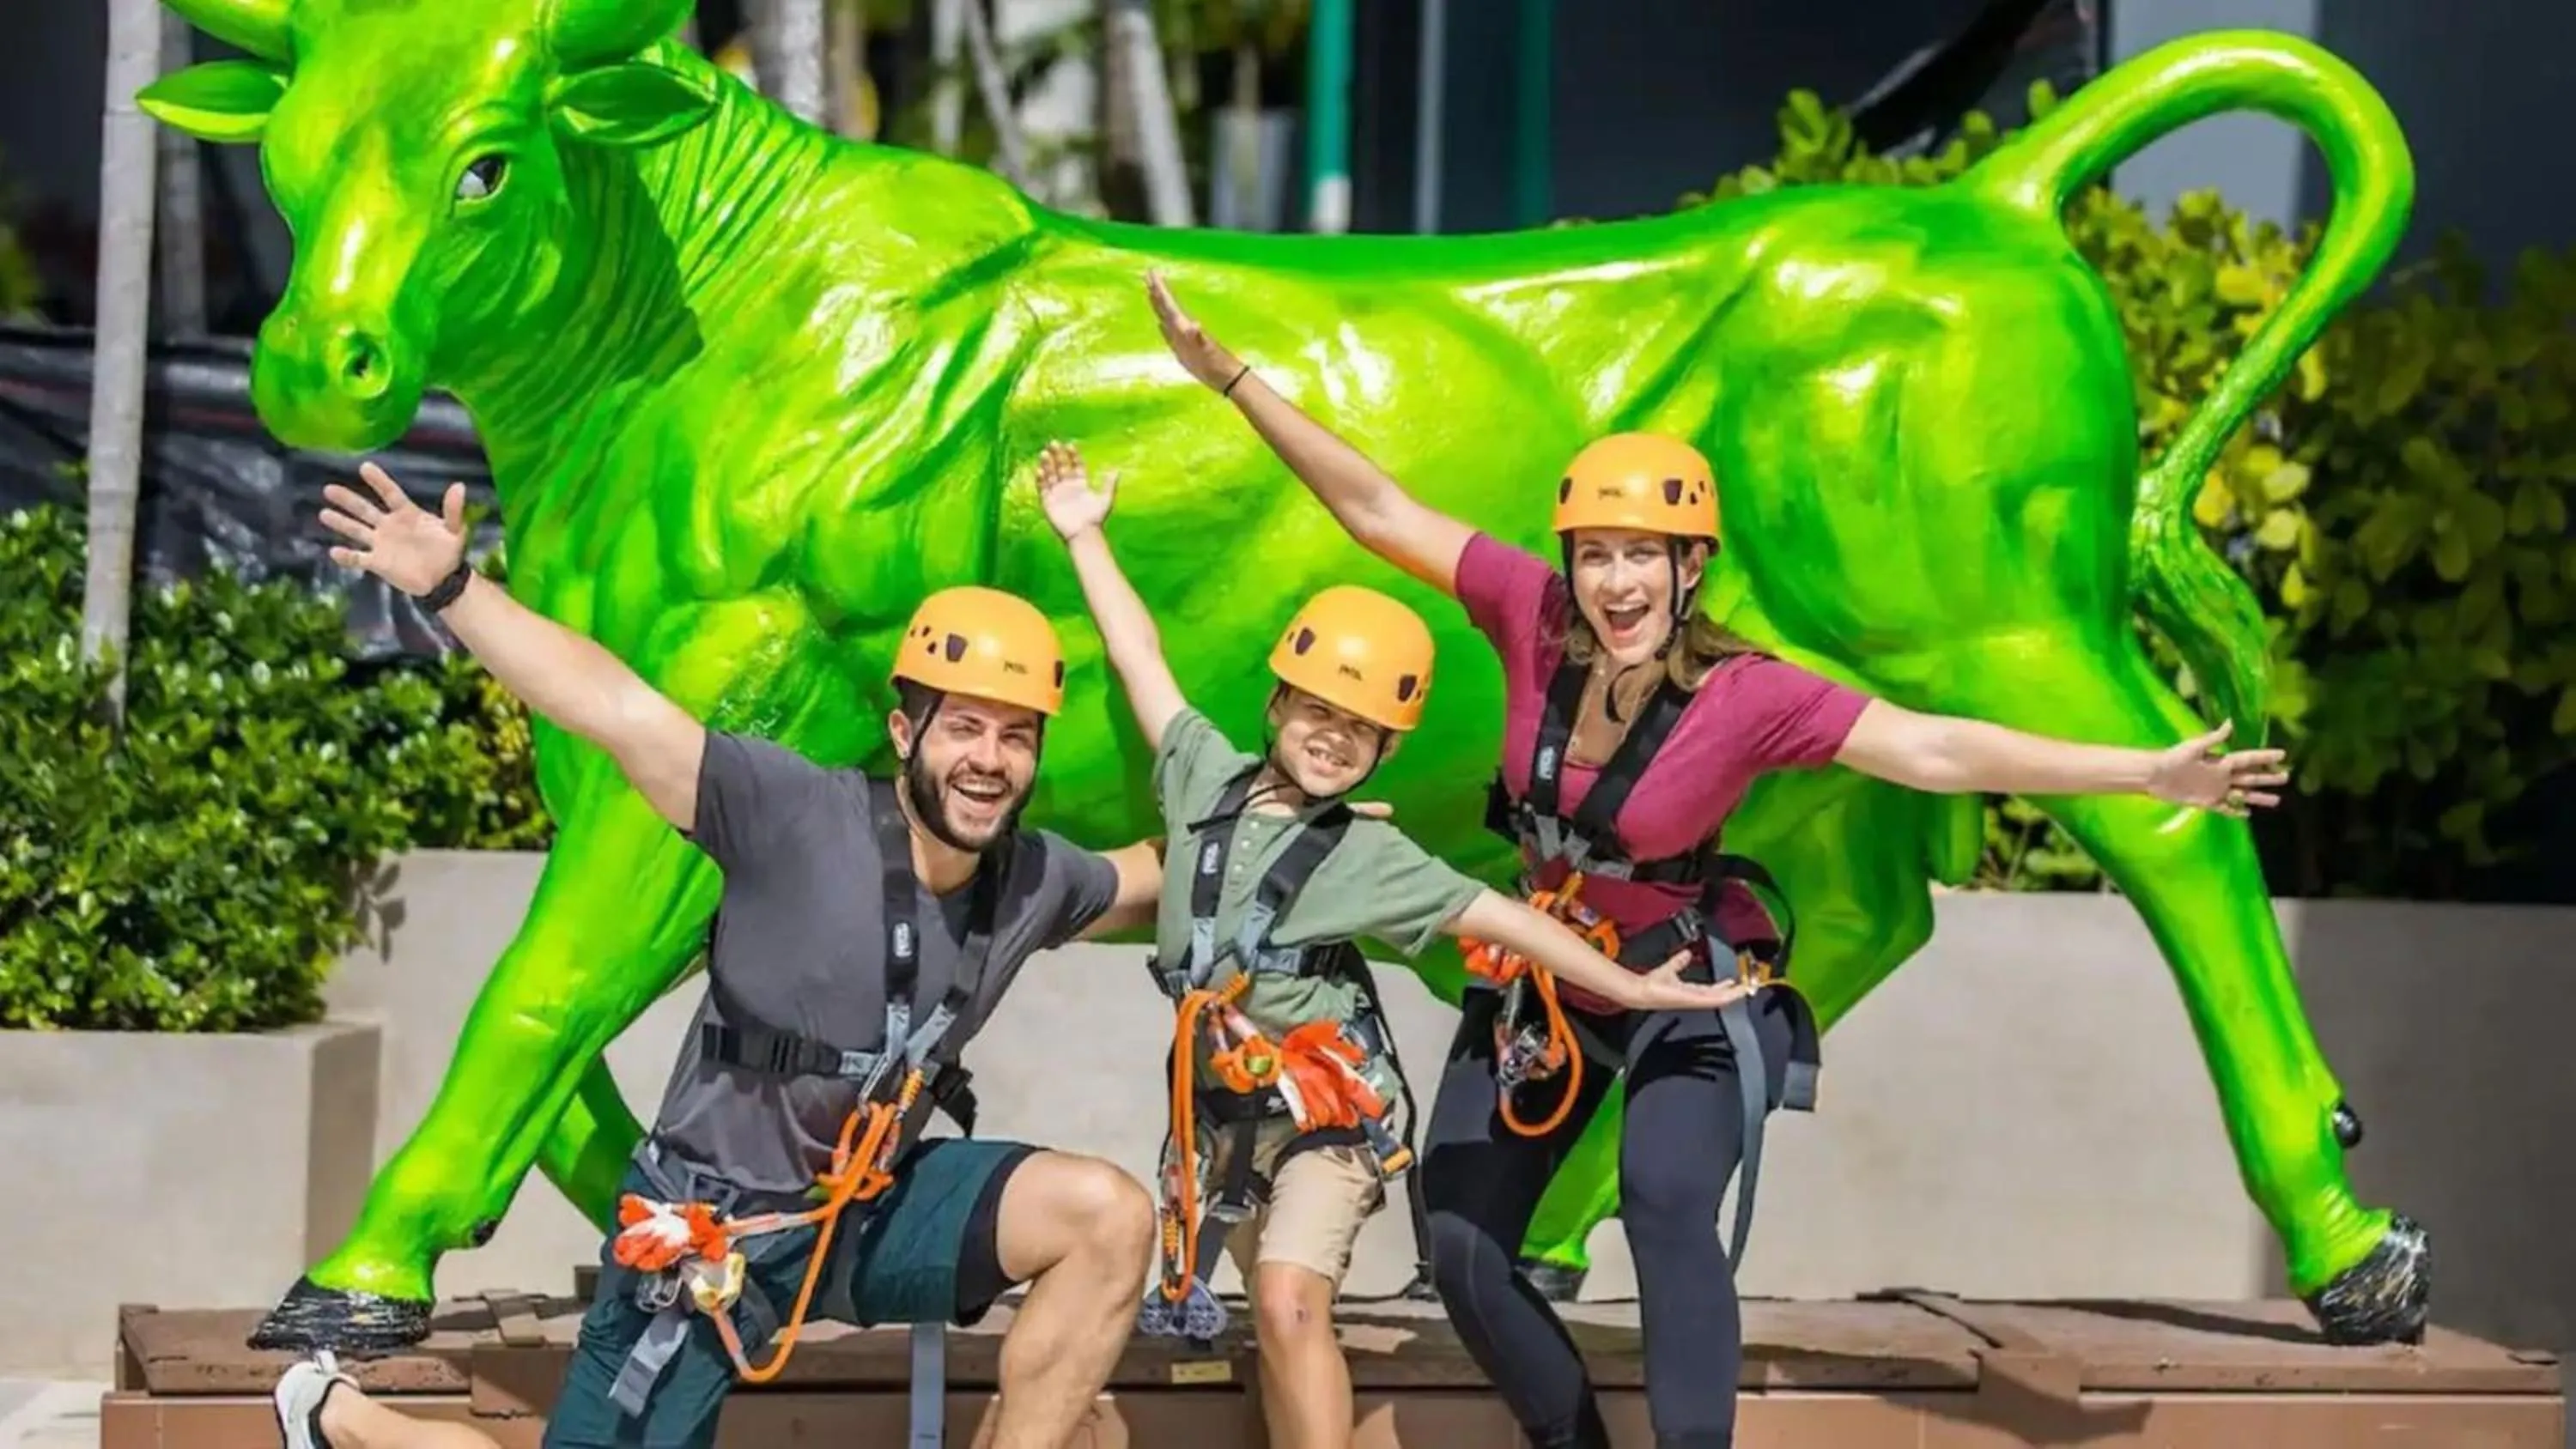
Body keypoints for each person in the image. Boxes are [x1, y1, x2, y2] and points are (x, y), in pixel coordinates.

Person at [1142, 273, 2292, 1449]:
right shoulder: (1532, 617)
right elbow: (1377, 508)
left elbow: (1935, 746)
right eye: (1597, 555)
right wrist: (1228, 378)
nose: (1617, 582)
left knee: (1664, 1203)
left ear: (1690, 567)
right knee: (1464, 1249)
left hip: (1682, 985)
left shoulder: (1748, 698)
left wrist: (2143, 771)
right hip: (1544, 981)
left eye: (1646, 556)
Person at [268, 462, 1168, 1449]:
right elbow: (612, 705)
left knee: (1107, 1216)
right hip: (708, 1234)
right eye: (963, 727)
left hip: (863, 1215)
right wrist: (452, 587)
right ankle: (337, 1414)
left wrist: (1301, 816)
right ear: (905, 730)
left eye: (1015, 735)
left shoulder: (1034, 876)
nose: (989, 759)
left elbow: (1166, 869)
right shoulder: (791, 814)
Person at [1030, 439, 1758, 1449]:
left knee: (1289, 1297)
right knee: (1268, 1322)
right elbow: (1138, 656)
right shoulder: (1202, 778)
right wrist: (1085, 535)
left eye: (1360, 730)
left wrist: (1635, 994)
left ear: (1385, 750)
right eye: (1318, 712)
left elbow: (1512, 923)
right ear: (1276, 704)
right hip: (1219, 1114)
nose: (1332, 738)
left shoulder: (1369, 856)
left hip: (1332, 1111)